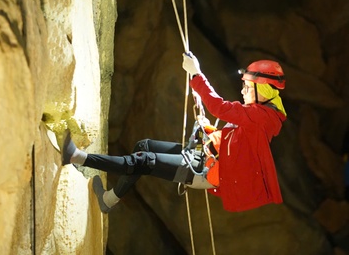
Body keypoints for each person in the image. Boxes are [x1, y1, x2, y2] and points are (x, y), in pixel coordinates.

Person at [62, 52, 287, 213]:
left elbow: (221, 107)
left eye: (247, 87)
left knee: (144, 161)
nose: (243, 91)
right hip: (205, 158)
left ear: (263, 90)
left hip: (202, 172)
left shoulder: (262, 117)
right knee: (144, 146)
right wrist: (208, 128)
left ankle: (77, 157)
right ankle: (109, 200)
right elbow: (235, 144)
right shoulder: (261, 114)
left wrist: (197, 75)